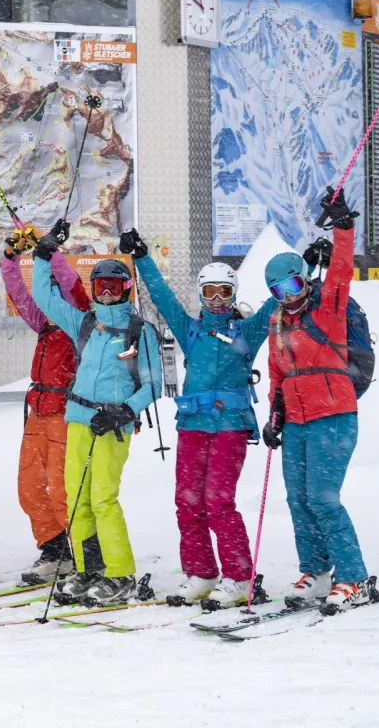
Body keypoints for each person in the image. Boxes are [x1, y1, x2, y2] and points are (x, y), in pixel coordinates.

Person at [120, 228, 275, 607]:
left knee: (218, 501)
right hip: (192, 426)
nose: (218, 300)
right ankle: (201, 573)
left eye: (225, 292)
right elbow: (162, 297)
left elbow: (281, 299)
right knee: (187, 501)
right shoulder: (191, 331)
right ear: (202, 296)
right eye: (210, 292)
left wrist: (306, 270)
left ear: (234, 295)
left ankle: (239, 577)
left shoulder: (248, 332)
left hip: (230, 428)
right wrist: (141, 257)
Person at [29, 221, 161, 606]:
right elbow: (44, 296)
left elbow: (152, 384)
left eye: (114, 287)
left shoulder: (139, 331)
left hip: (112, 425)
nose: (106, 293)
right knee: (76, 498)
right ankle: (90, 568)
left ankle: (120, 573)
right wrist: (44, 254)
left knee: (103, 497)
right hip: (79, 419)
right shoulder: (85, 322)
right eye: (100, 286)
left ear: (126, 289)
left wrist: (125, 412)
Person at [261, 187, 370, 610]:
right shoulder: (276, 323)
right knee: (298, 500)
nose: (287, 296)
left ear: (303, 279)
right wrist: (274, 414)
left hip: (334, 415)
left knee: (323, 498)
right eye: (277, 290)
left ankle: (354, 577)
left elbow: (340, 271)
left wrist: (344, 228)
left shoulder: (328, 309)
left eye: (291, 284)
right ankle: (317, 571)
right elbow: (275, 372)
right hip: (297, 422)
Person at [0, 226, 92, 582]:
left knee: (62, 487)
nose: (48, 302)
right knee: (30, 487)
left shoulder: (79, 320)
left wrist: (50, 251)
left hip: (65, 414)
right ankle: (53, 549)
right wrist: (12, 258)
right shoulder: (44, 325)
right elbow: (18, 292)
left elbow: (72, 285)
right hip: (37, 413)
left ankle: (84, 553)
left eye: (55, 293)